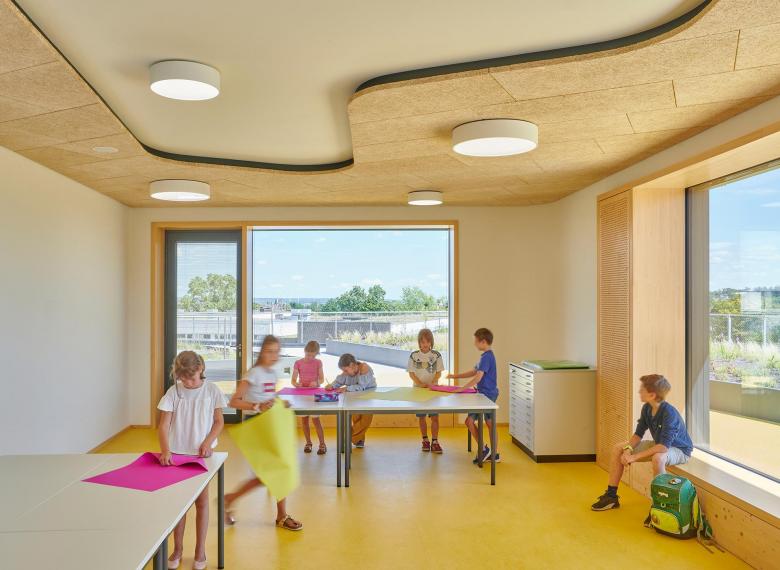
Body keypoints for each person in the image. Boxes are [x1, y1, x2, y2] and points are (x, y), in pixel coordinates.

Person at [225, 335, 303, 531]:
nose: (273, 356)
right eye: (269, 351)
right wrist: (257, 406)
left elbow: (269, 397)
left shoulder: (272, 374)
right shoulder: (254, 373)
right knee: (271, 472)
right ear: (262, 353)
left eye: (276, 352)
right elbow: (234, 401)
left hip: (270, 426)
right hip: (256, 426)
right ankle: (279, 515)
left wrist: (279, 402)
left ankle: (231, 500)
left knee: (276, 470)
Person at [158, 351, 226, 570]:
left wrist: (208, 442)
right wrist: (165, 450)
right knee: (180, 505)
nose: (188, 382)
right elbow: (164, 425)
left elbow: (218, 422)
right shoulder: (174, 392)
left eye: (192, 378)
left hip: (201, 456)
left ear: (201, 369)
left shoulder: (212, 390)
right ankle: (177, 549)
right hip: (177, 455)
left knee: (202, 502)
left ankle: (200, 551)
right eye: (183, 378)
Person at [591, 374, 693, 511]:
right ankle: (611, 496)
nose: (639, 391)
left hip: (679, 450)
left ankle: (660, 505)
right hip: (659, 444)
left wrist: (633, 457)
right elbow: (638, 434)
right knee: (618, 448)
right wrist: (628, 450)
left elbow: (663, 448)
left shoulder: (670, 413)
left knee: (658, 458)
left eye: (642, 389)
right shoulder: (647, 408)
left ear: (652, 395)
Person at [447, 328, 499, 464]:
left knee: (489, 423)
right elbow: (473, 372)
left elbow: (477, 378)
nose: (474, 343)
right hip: (482, 394)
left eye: (476, 341)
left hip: (488, 395)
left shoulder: (487, 357)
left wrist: (462, 389)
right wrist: (454, 376)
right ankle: (485, 449)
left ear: (483, 341)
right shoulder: (484, 357)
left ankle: (493, 453)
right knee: (471, 421)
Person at [326, 353, 376, 448]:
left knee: (366, 419)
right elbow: (338, 381)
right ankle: (359, 439)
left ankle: (348, 437)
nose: (344, 372)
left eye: (345, 370)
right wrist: (331, 385)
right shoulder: (347, 372)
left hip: (368, 397)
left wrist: (346, 388)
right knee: (356, 417)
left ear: (352, 365)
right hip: (354, 397)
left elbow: (361, 387)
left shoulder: (364, 367)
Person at [408, 328, 445, 453]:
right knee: (421, 417)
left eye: (428, 342)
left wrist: (432, 383)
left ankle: (435, 441)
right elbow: (411, 373)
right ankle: (425, 440)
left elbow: (439, 373)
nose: (425, 344)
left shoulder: (436, 355)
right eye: (423, 342)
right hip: (418, 392)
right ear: (419, 342)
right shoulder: (414, 355)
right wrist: (420, 384)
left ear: (431, 342)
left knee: (435, 417)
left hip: (433, 391)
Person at [291, 340, 327, 454]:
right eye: (308, 355)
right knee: (304, 420)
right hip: (301, 395)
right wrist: (296, 384)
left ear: (316, 354)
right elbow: (293, 380)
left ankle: (322, 444)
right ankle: (308, 443)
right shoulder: (298, 363)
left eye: (312, 355)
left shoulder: (318, 363)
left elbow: (322, 379)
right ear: (304, 351)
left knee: (316, 420)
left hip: (313, 395)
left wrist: (316, 383)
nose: (310, 357)